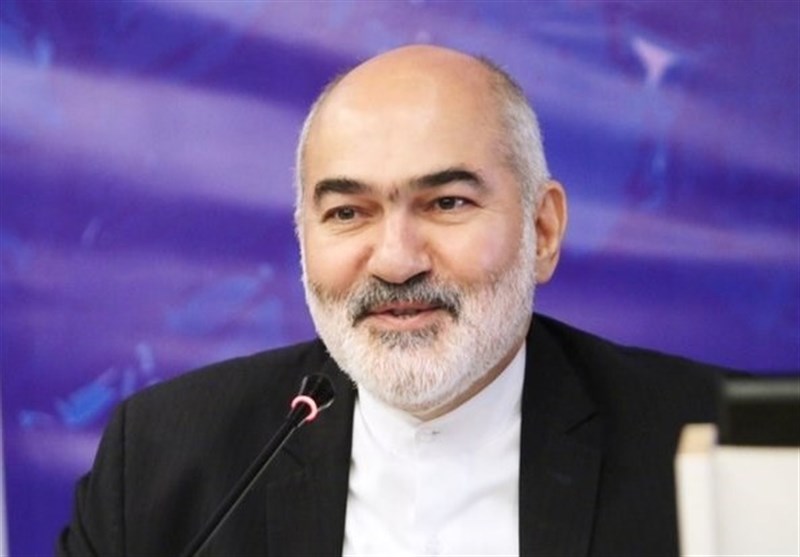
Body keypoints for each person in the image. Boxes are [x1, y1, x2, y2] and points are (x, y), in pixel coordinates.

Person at [58, 45, 726, 556]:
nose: (396, 261)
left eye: (447, 203)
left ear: (542, 230)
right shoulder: (165, 458)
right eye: (348, 213)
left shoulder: (708, 445)